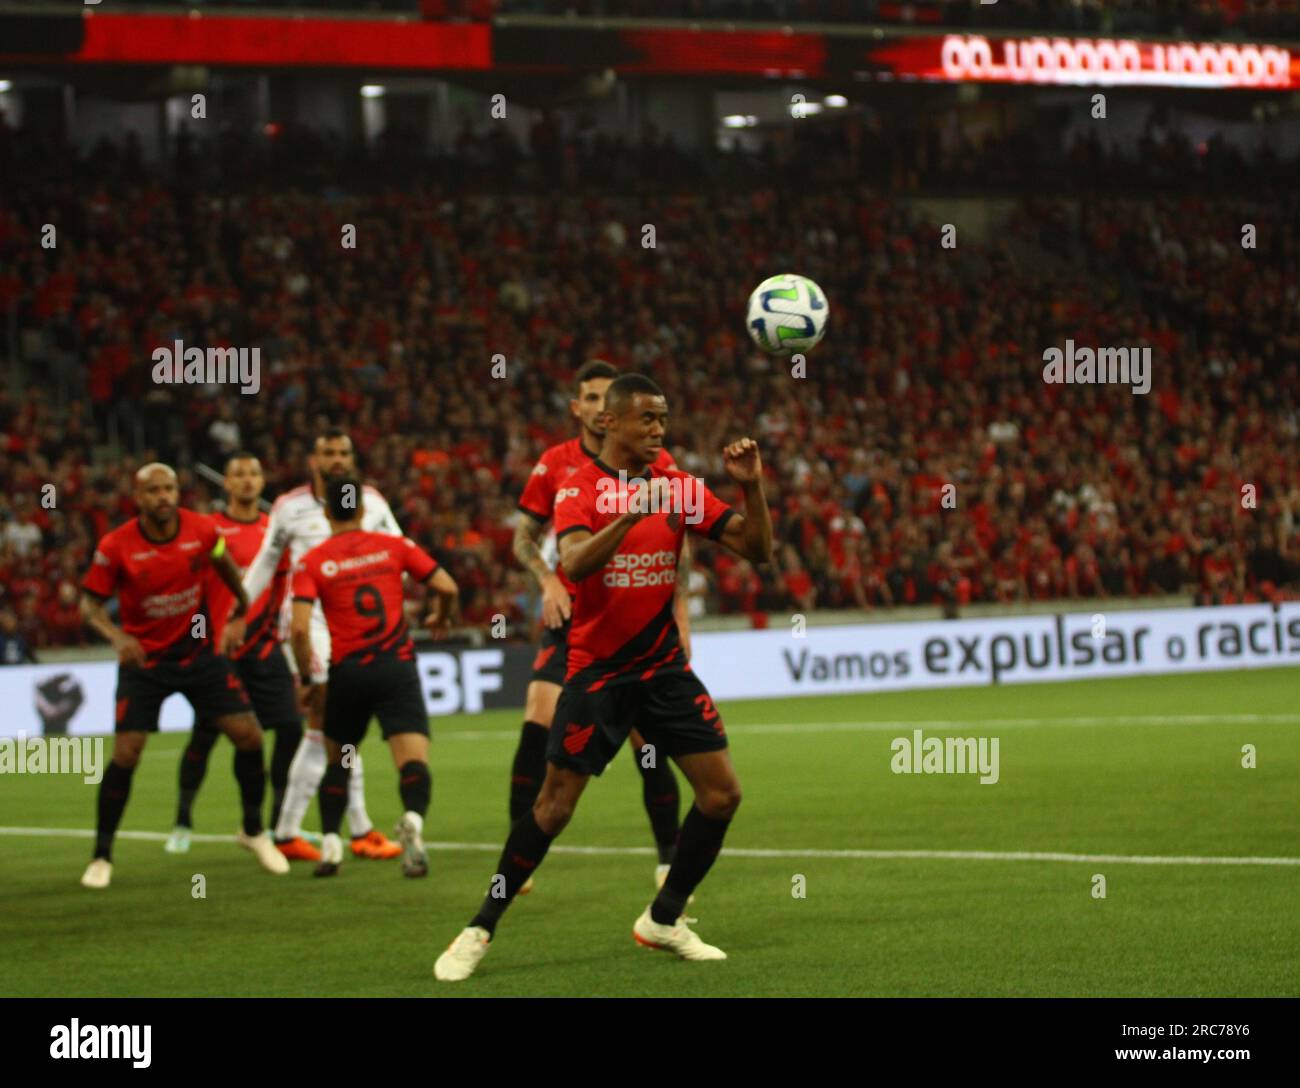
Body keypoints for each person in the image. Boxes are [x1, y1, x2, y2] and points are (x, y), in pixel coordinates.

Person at [435, 374, 772, 981]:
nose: (658, 431)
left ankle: (664, 919)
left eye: (663, 420)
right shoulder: (577, 489)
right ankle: (479, 927)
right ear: (610, 422)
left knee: (722, 794)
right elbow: (574, 562)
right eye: (647, 419)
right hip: (598, 674)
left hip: (663, 669)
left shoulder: (678, 486)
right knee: (554, 807)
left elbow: (758, 549)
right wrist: (630, 515)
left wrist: (753, 491)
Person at [510, 360, 688, 893]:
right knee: (537, 722)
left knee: (646, 741)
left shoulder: (657, 462)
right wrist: (548, 580)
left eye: (604, 398)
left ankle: (666, 860)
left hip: (631, 619)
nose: (596, 407)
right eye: (588, 398)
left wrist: (679, 615)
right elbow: (522, 537)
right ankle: (518, 853)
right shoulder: (554, 465)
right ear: (581, 408)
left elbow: (680, 543)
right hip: (572, 614)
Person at [78, 463, 289, 889]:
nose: (162, 496)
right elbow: (90, 607)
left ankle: (253, 830)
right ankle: (102, 855)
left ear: (178, 491)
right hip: (145, 662)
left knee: (248, 736)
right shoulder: (116, 546)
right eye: (153, 490)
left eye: (168, 488)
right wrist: (117, 636)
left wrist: (238, 614)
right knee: (128, 753)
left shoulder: (204, 533)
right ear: (138, 498)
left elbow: (231, 572)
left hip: (198, 654)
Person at [234, 428, 403, 861]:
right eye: (328, 452)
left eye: (344, 452)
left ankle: (289, 829)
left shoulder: (373, 503)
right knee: (335, 721)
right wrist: (239, 612)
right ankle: (358, 829)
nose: (337, 460)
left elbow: (401, 550)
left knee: (328, 729)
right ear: (314, 460)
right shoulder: (290, 507)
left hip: (357, 627)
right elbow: (265, 562)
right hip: (310, 623)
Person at [289, 476, 459, 878]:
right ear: (363, 511)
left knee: (341, 760)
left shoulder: (313, 561)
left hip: (349, 676)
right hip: (395, 672)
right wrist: (442, 615)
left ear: (327, 512)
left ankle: (331, 844)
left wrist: (308, 679)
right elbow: (446, 585)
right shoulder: (394, 547)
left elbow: (297, 630)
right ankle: (413, 820)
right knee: (412, 761)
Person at [165, 452, 301, 855]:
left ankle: (276, 823)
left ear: (262, 483)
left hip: (264, 648)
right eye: (238, 475)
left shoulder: (273, 531)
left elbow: (281, 588)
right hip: (218, 651)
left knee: (291, 729)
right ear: (226, 483)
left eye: (254, 474)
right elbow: (192, 586)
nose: (246, 481)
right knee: (205, 735)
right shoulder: (210, 529)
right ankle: (183, 820)